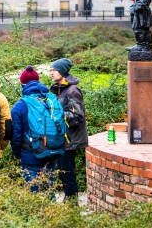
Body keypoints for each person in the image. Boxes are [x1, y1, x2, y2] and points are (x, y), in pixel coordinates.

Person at [11, 66, 60, 192]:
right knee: (49, 193)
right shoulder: (50, 100)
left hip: (30, 156)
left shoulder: (20, 106)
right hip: (52, 153)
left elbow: (16, 135)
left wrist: (17, 154)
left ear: (22, 85)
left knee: (34, 196)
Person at [50, 58, 88, 202]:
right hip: (62, 138)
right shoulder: (59, 89)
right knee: (63, 173)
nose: (52, 73)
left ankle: (72, 204)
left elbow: (77, 116)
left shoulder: (72, 90)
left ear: (63, 71)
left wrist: (55, 115)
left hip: (70, 139)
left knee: (67, 172)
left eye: (54, 70)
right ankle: (70, 201)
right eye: (51, 70)